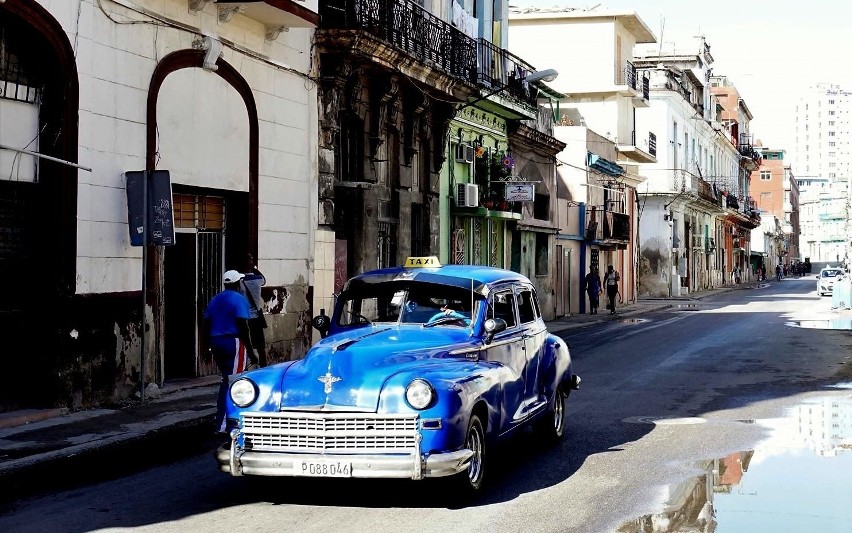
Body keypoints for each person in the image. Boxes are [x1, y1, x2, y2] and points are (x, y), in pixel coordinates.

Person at [203, 269, 256, 433]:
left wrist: (206, 346)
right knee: (235, 382)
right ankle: (226, 423)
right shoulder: (239, 299)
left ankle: (223, 420)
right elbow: (243, 326)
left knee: (226, 380)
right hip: (233, 342)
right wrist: (251, 351)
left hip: (216, 341)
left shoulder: (215, 299)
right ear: (236, 283)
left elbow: (206, 323)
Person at [240, 253, 268, 367]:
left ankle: (247, 366)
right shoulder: (258, 280)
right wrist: (255, 268)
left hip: (244, 317)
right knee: (260, 346)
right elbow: (264, 279)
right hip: (256, 317)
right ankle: (263, 367)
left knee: (246, 344)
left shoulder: (240, 281)